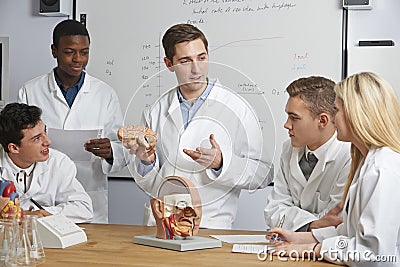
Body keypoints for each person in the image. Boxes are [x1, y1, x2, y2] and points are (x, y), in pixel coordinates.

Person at [122, 23, 274, 229]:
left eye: (201, 58)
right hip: (161, 225)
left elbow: (263, 174)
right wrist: (147, 162)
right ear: (169, 64)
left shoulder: (238, 108)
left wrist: (222, 163)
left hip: (211, 225)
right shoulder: (155, 111)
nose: (196, 69)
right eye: (185, 61)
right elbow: (148, 184)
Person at [267, 72, 400, 266]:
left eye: (336, 111)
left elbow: (372, 254)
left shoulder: (382, 168)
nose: (332, 119)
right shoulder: (366, 162)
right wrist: (303, 238)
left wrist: (313, 250)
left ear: (357, 114)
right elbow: (348, 231)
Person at [18, 19, 124, 223]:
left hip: (90, 196)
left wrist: (111, 152)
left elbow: (121, 148)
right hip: (42, 197)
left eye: (84, 52)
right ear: (54, 51)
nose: (78, 59)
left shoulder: (105, 94)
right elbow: (19, 143)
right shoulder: (30, 91)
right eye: (69, 52)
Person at [264, 76, 351, 232]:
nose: (286, 125)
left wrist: (295, 222)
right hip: (290, 245)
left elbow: (336, 220)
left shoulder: (349, 157)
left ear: (322, 121)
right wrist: (312, 225)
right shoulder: (289, 149)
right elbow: (274, 210)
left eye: (294, 118)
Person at [0, 103, 93, 223]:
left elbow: (84, 209)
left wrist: (40, 214)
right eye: (37, 138)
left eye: (45, 132)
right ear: (14, 148)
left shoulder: (58, 162)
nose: (48, 141)